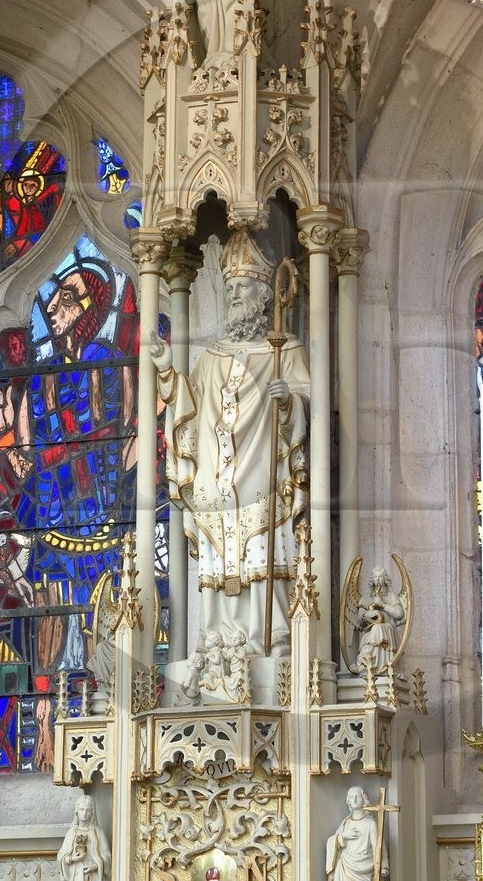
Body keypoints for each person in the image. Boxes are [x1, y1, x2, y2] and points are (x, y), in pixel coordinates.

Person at [152, 232, 309, 656]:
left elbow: (309, 401)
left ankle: (273, 636)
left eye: (243, 288)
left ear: (263, 294)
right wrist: (167, 373)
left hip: (261, 471)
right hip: (213, 482)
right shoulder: (212, 357)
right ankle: (215, 639)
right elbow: (189, 407)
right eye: (231, 288)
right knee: (219, 558)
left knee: (265, 545)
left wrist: (289, 400)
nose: (235, 295)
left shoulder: (285, 350)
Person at [353, 567, 407, 677]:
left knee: (378, 628)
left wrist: (383, 605)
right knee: (368, 635)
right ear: (372, 579)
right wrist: (364, 614)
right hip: (370, 630)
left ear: (385, 579)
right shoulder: (366, 597)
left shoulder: (391, 596)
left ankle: (378, 666)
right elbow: (359, 619)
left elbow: (399, 613)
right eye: (375, 577)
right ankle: (365, 665)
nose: (377, 579)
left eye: (380, 577)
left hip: (387, 629)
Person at [325, 786, 383, 881]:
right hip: (345, 865)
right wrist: (343, 836)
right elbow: (332, 842)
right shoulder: (346, 823)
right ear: (348, 801)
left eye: (358, 797)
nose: (355, 800)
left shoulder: (370, 823)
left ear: (364, 799)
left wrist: (382, 866)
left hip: (365, 866)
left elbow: (378, 848)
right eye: (352, 797)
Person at [55, 795, 108, 881]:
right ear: (77, 811)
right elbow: (60, 856)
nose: (84, 813)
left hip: (92, 876)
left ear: (92, 812)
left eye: (88, 810)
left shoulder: (98, 832)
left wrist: (95, 866)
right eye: (81, 809)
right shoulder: (72, 833)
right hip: (75, 875)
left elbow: (107, 855)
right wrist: (72, 859)